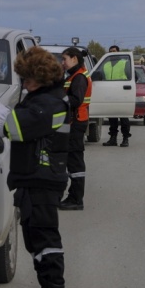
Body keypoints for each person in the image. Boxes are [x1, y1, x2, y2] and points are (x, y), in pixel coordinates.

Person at [1, 46, 70, 288]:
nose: (24, 83)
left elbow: (13, 127)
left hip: (42, 179)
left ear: (41, 77)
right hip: (39, 178)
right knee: (38, 238)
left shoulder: (48, 104)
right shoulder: (46, 99)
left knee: (44, 239)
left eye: (28, 78)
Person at [59, 47, 92, 211]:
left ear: (74, 59)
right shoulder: (73, 75)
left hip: (76, 123)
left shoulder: (78, 77)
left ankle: (76, 199)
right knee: (73, 160)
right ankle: (74, 196)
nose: (62, 62)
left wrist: (58, 98)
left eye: (64, 59)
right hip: (75, 122)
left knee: (75, 161)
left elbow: (76, 100)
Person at [102, 45, 132, 147]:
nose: (112, 53)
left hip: (122, 94)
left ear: (119, 52)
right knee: (112, 118)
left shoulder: (125, 63)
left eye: (114, 51)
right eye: (110, 51)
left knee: (124, 118)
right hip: (110, 94)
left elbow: (133, 77)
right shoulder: (106, 64)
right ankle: (113, 139)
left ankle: (125, 139)